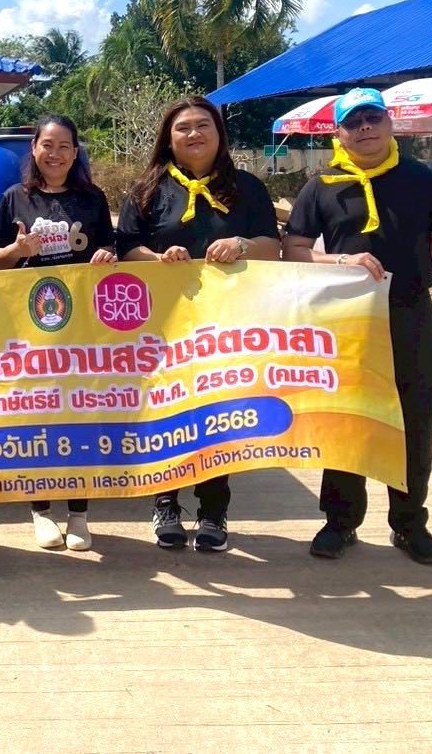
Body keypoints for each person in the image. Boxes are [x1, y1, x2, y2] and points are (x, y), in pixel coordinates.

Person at [282, 88, 432, 566]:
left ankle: (410, 523)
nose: (364, 127)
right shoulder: (322, 185)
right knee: (346, 421)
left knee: (413, 422)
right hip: (345, 323)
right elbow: (294, 250)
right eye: (353, 122)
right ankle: (340, 521)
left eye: (372, 117)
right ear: (339, 133)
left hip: (411, 317)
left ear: (390, 124)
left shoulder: (425, 181)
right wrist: (341, 260)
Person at [116, 96, 282, 552]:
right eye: (183, 127)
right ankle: (165, 503)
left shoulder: (247, 187)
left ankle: (213, 510)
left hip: (227, 323)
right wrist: (156, 258)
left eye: (203, 125)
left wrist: (241, 244)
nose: (193, 134)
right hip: (162, 322)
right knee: (166, 411)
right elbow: (126, 247)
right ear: (168, 139)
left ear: (218, 134)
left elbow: (273, 246)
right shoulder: (146, 190)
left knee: (217, 414)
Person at [0, 114, 116, 552]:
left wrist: (105, 256)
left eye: (64, 146)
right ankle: (40, 511)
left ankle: (79, 514)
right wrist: (17, 249)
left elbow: (109, 248)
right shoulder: (14, 198)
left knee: (80, 413)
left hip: (81, 327)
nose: (55, 153)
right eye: (47, 144)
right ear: (34, 149)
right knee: (36, 415)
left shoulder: (92, 199)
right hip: (29, 326)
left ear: (75, 153)